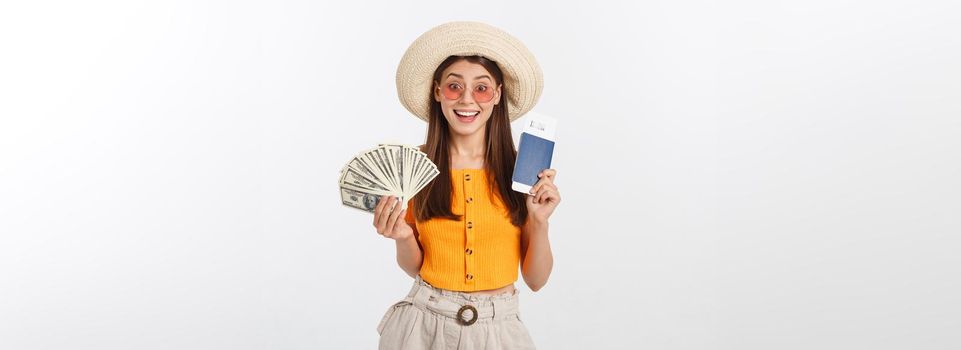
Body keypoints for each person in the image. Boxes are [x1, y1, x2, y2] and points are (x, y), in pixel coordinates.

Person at [372, 21, 561, 349]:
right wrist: (403, 236)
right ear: (437, 92)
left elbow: (536, 280)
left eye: (482, 88)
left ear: (498, 95)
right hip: (422, 327)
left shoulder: (523, 170)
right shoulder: (416, 168)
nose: (467, 100)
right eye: (454, 86)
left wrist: (539, 222)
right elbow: (416, 267)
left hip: (499, 329)